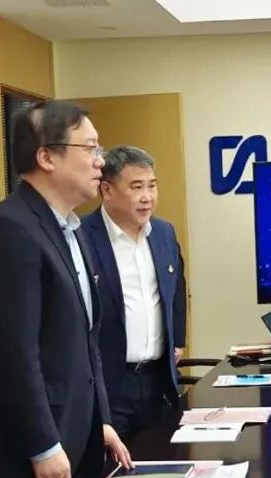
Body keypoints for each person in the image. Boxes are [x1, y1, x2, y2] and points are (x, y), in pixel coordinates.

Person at [0, 100, 133, 478]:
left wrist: (99, 422)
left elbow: (84, 341)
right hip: (21, 465)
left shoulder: (70, 229)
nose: (101, 161)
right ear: (46, 157)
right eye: (90, 148)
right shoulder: (8, 232)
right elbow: (9, 354)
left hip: (72, 445)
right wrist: (42, 445)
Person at [83, 146, 187, 437]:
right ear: (107, 190)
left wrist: (178, 339)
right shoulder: (82, 236)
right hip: (109, 385)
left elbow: (176, 287)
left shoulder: (164, 233)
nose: (147, 197)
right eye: (136, 187)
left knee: (164, 456)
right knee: (115, 463)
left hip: (158, 381)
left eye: (152, 186)